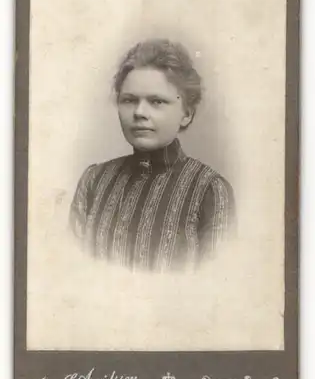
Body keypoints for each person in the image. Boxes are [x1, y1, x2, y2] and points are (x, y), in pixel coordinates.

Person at [69, 38, 236, 272]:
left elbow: (215, 287)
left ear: (186, 114)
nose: (139, 112)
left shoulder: (209, 191)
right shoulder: (94, 181)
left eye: (156, 101)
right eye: (129, 100)